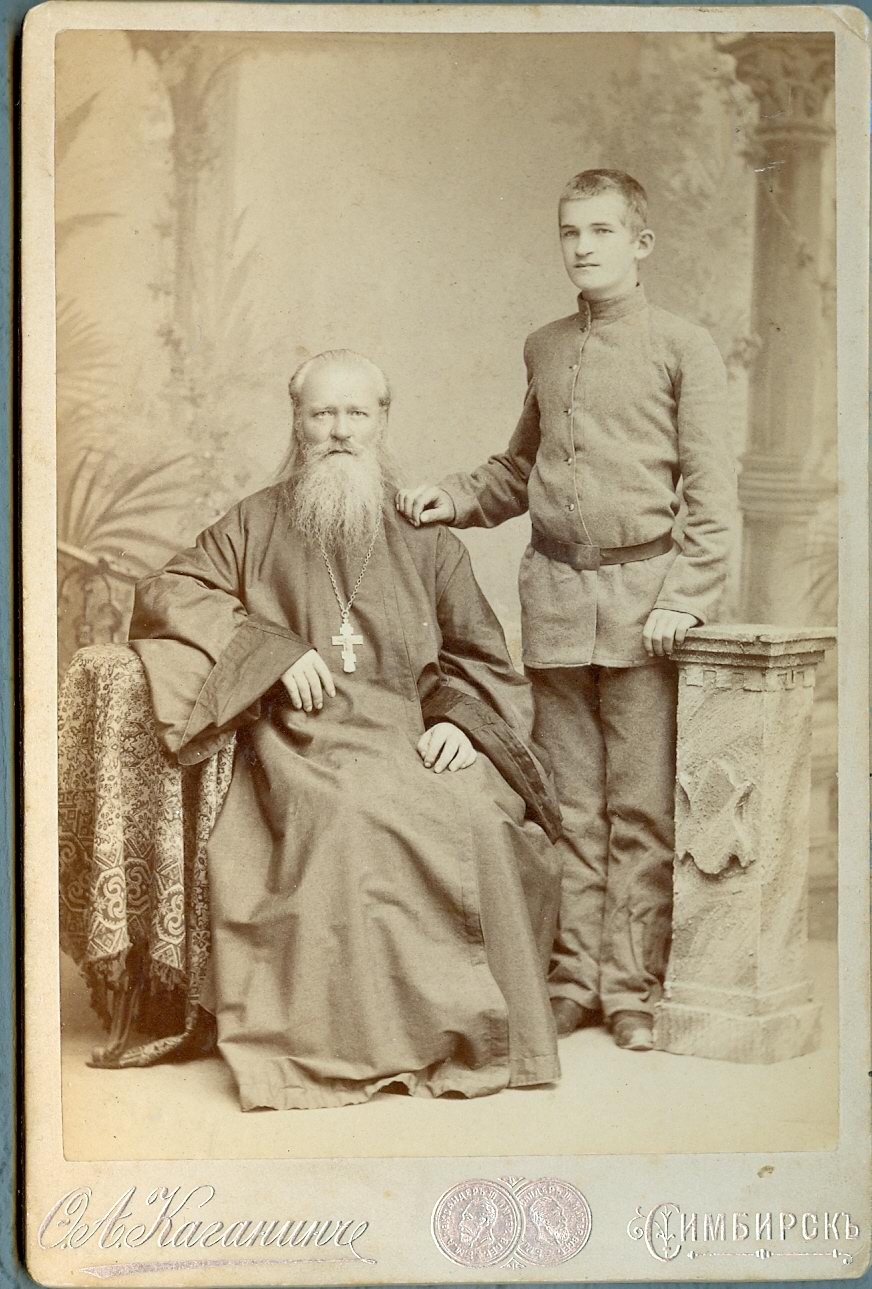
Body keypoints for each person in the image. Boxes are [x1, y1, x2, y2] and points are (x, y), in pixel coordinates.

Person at [128, 348, 564, 1111]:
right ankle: (353, 1047)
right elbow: (169, 591)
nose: (338, 430)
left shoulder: (426, 535)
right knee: (347, 818)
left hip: (410, 732)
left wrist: (462, 724)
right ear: (297, 422)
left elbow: (481, 656)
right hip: (301, 741)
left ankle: (470, 1036)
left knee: (478, 817)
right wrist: (271, 651)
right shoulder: (254, 521)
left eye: (355, 413)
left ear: (382, 422)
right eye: (322, 413)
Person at [396, 170, 737, 1052]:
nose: (582, 247)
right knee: (570, 805)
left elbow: (712, 497)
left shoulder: (683, 346)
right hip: (553, 606)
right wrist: (452, 497)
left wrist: (686, 599)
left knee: (641, 811)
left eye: (600, 231)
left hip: (645, 612)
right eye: (569, 232)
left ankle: (630, 988)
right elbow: (520, 468)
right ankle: (573, 980)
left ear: (640, 243)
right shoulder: (545, 346)